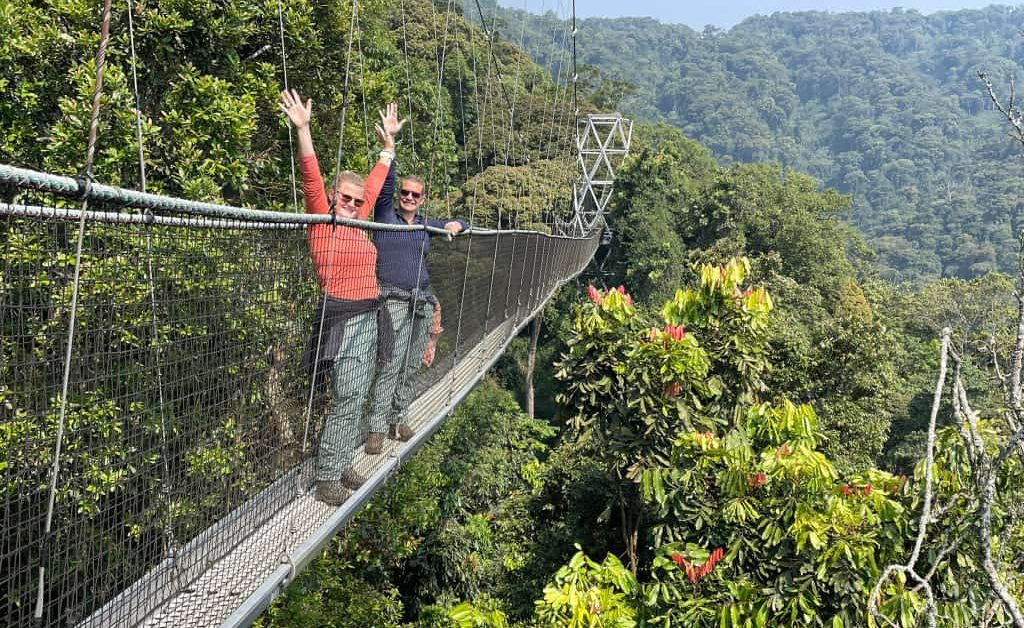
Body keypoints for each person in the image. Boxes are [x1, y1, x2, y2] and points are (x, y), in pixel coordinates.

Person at [280, 88, 397, 505]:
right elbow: (310, 174)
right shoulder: (322, 221)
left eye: (355, 200)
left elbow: (375, 182)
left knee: (359, 390)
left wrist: (388, 146)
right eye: (344, 198)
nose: (351, 204)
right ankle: (328, 472)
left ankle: (342, 458)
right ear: (333, 199)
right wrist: (304, 129)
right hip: (343, 318)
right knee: (347, 392)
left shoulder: (359, 220)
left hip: (371, 314)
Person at [364, 103, 469, 455]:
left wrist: (456, 225)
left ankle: (399, 418)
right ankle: (377, 428)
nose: (408, 197)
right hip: (392, 299)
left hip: (422, 300)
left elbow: (461, 224)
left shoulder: (427, 225)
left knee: (410, 365)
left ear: (423, 199)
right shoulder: (385, 216)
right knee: (390, 364)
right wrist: (389, 145)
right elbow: (383, 184)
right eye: (404, 193)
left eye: (415, 194)